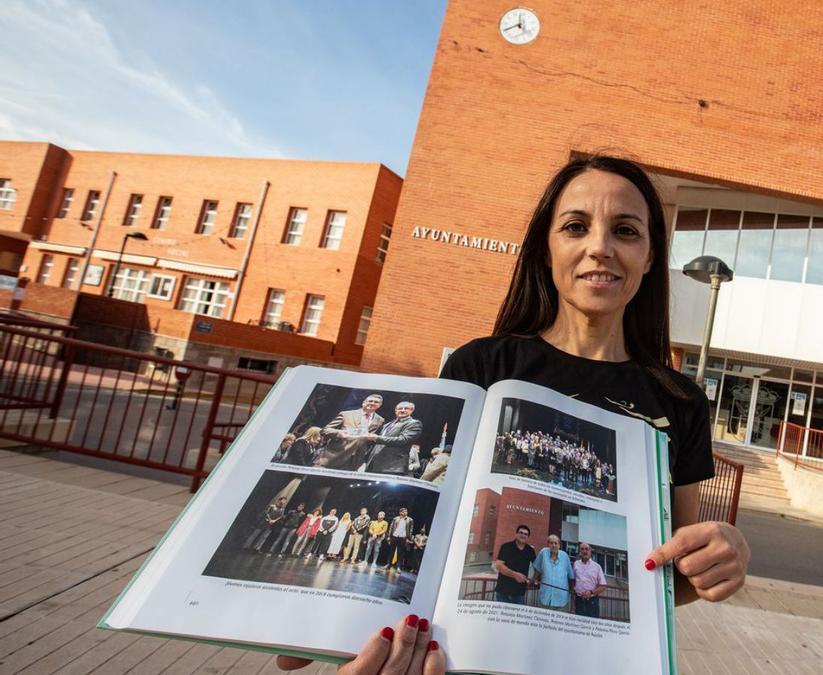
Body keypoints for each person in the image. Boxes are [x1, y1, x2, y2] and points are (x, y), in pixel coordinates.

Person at [280, 156, 750, 673]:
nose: (600, 246)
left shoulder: (679, 401)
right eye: (575, 227)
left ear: (648, 255)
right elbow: (429, 515)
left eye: (625, 230)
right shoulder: (481, 365)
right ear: (546, 250)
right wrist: (325, 621)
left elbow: (675, 573)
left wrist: (720, 557)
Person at [315, 394, 385, 470]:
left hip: (355, 461)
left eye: (376, 402)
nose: (372, 403)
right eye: (370, 401)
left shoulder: (380, 420)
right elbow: (325, 430)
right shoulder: (346, 414)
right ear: (364, 402)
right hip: (334, 456)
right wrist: (339, 433)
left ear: (379, 405)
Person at [363, 401, 424, 474]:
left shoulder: (414, 423)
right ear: (396, 410)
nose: (402, 410)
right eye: (400, 408)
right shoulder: (388, 424)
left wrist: (377, 438)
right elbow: (378, 443)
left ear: (411, 410)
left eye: (406, 408)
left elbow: (403, 440)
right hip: (373, 464)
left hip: (392, 467)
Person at [492, 524, 536, 604]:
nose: (523, 535)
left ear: (528, 537)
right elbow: (498, 565)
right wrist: (515, 575)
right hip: (503, 591)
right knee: (502, 616)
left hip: (519, 592)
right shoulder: (506, 547)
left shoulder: (530, 550)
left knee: (517, 615)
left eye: (525, 534)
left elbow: (537, 566)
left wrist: (533, 580)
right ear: (516, 534)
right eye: (521, 533)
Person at [531, 535, 573, 609]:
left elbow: (570, 575)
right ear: (548, 544)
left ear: (559, 545)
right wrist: (533, 580)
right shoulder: (543, 553)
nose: (553, 545)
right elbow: (538, 569)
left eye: (556, 543)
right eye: (551, 543)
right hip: (545, 596)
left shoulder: (565, 556)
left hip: (561, 598)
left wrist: (572, 591)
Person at [572, 542, 607, 618]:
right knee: (578, 625)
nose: (585, 551)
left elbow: (603, 586)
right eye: (582, 549)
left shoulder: (597, 567)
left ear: (590, 551)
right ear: (580, 552)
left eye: (587, 549)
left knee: (592, 627)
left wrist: (591, 592)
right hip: (579, 601)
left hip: (592, 602)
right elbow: (574, 581)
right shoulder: (576, 564)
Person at [387, 508, 414, 572]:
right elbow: (391, 527)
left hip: (403, 537)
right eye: (404, 511)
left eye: (406, 512)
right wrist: (389, 536)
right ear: (400, 512)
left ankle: (398, 567)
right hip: (395, 536)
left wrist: (408, 538)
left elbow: (411, 530)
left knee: (400, 552)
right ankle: (389, 564)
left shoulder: (410, 520)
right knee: (391, 551)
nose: (405, 513)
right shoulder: (395, 518)